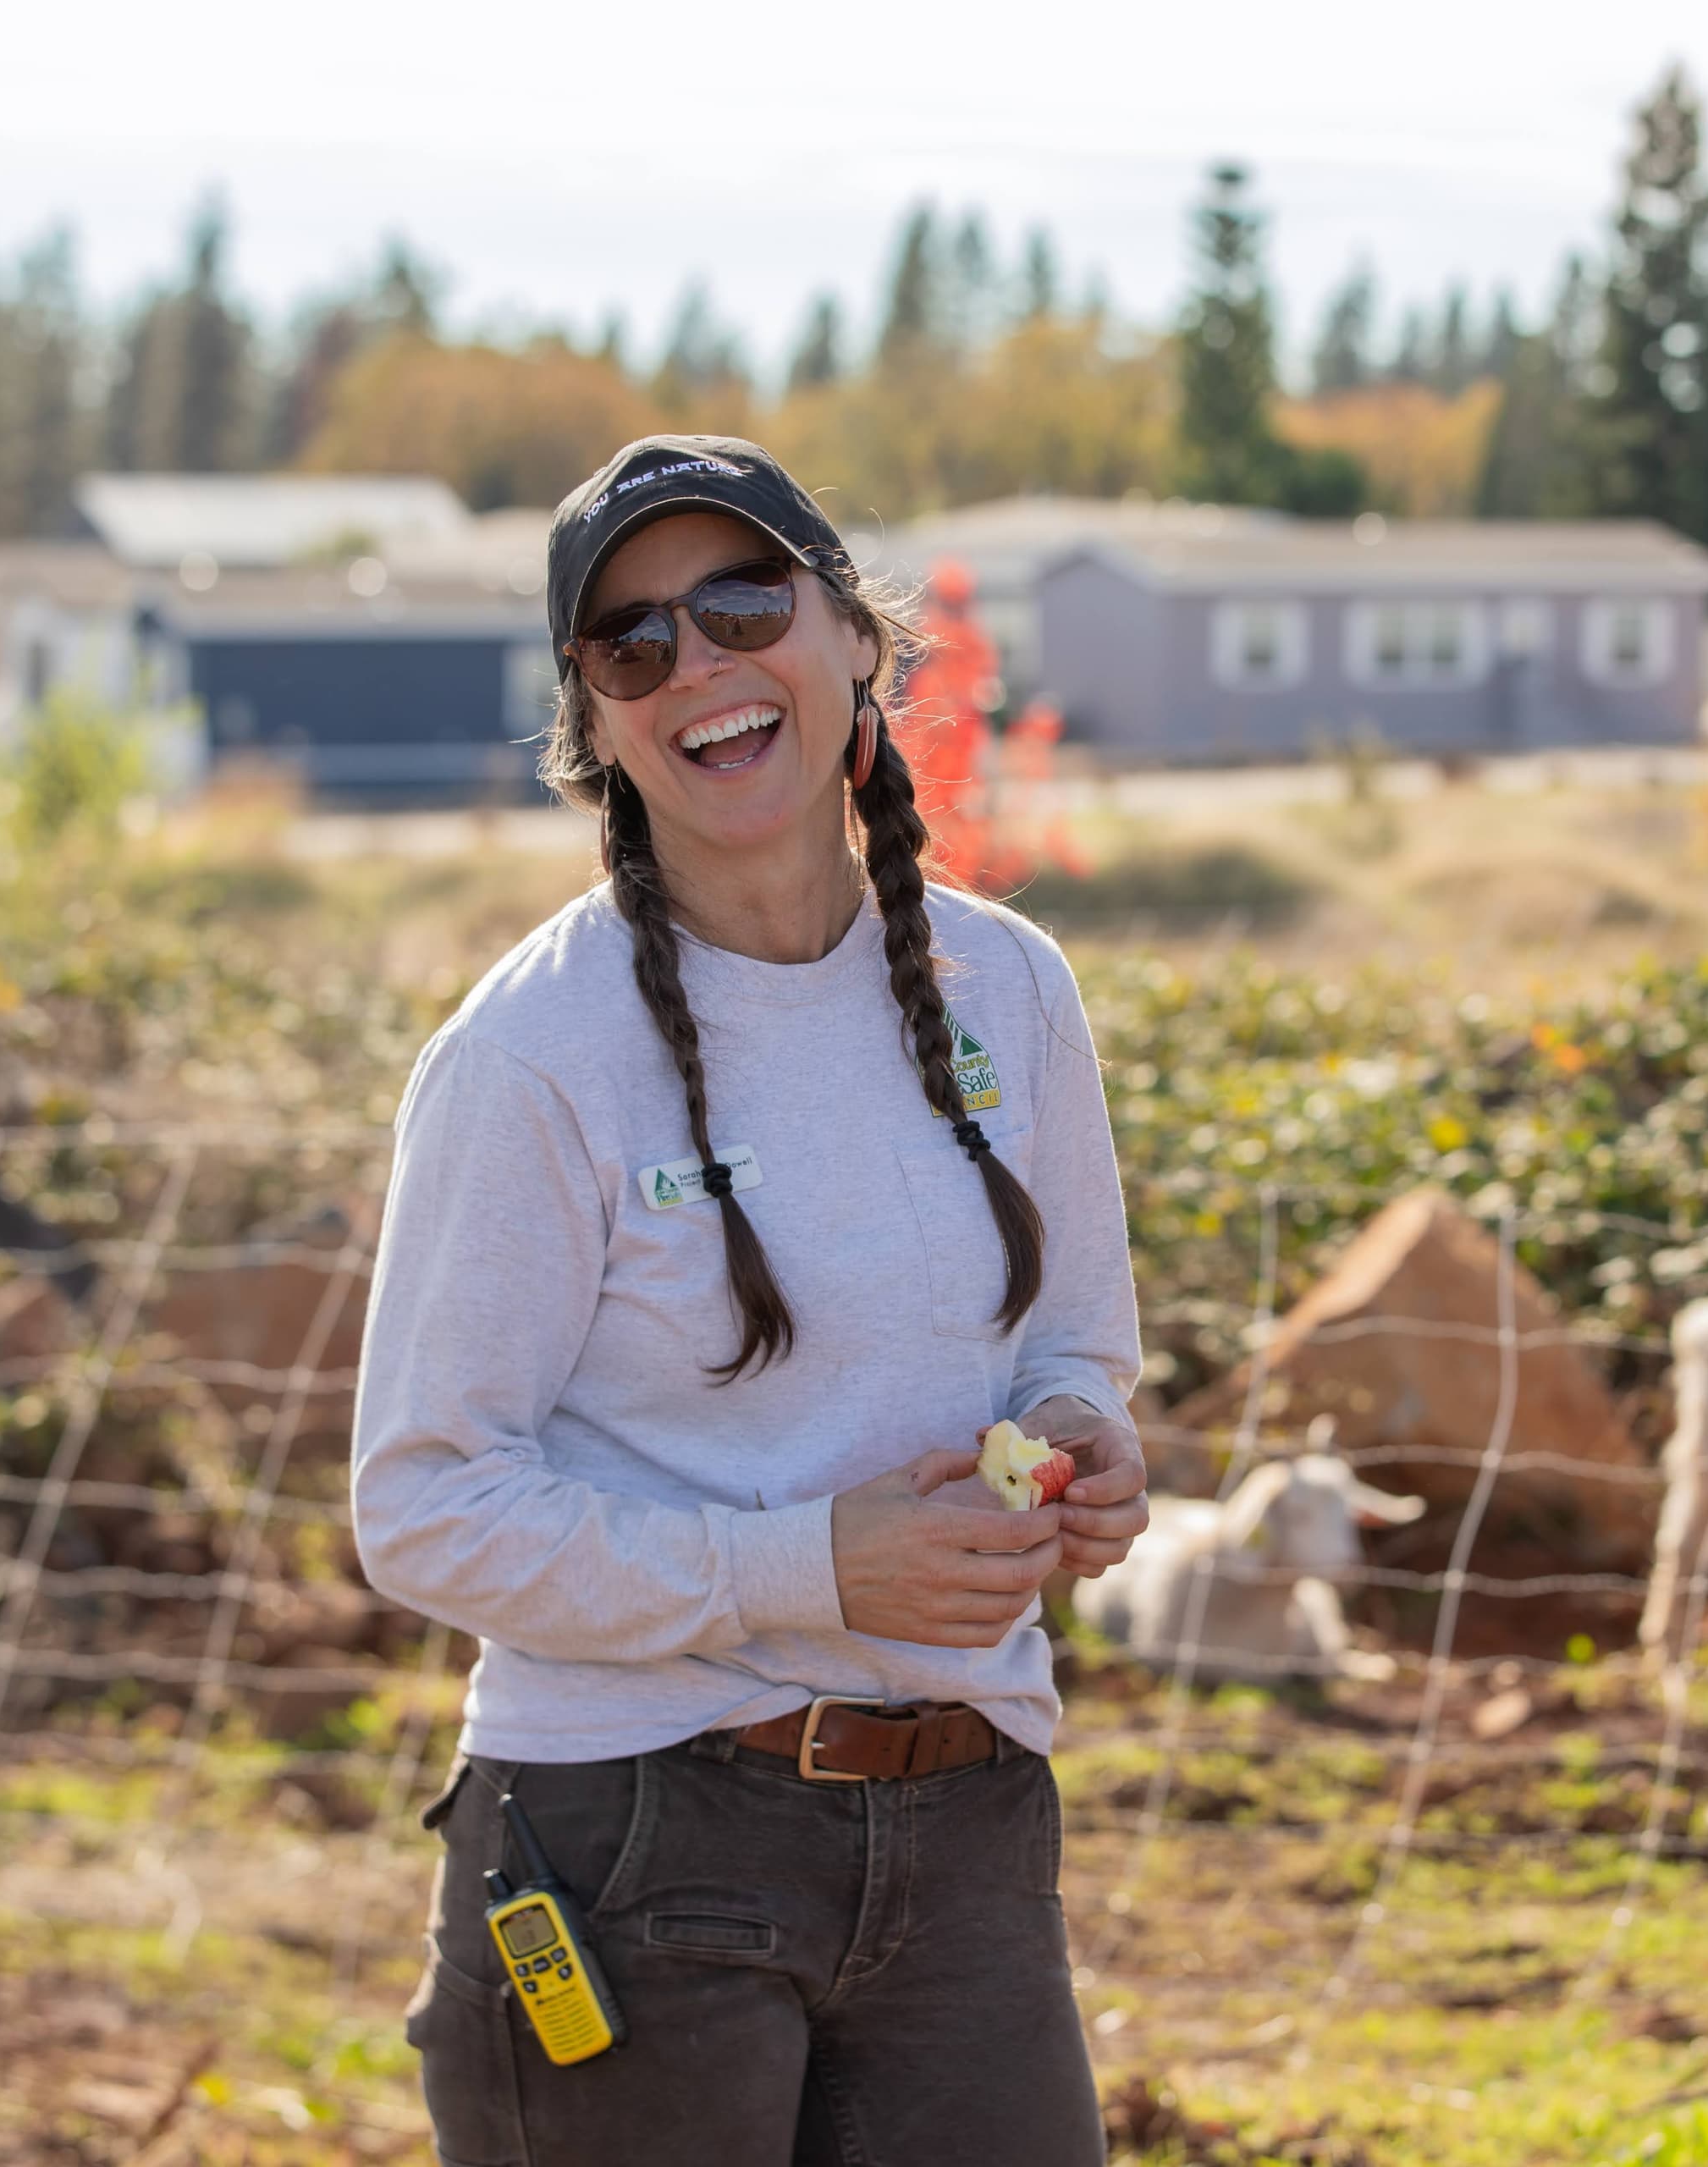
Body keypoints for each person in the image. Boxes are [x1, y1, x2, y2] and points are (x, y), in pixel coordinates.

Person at [352, 435, 1148, 2166]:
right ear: (599, 728)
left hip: (969, 1823)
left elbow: (1075, 1339)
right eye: (634, 644)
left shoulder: (1009, 986)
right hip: (633, 1839)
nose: (698, 666)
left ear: (852, 632)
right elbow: (420, 1508)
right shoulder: (531, 1061)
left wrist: (1087, 1433)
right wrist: (808, 1562)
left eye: (740, 603)